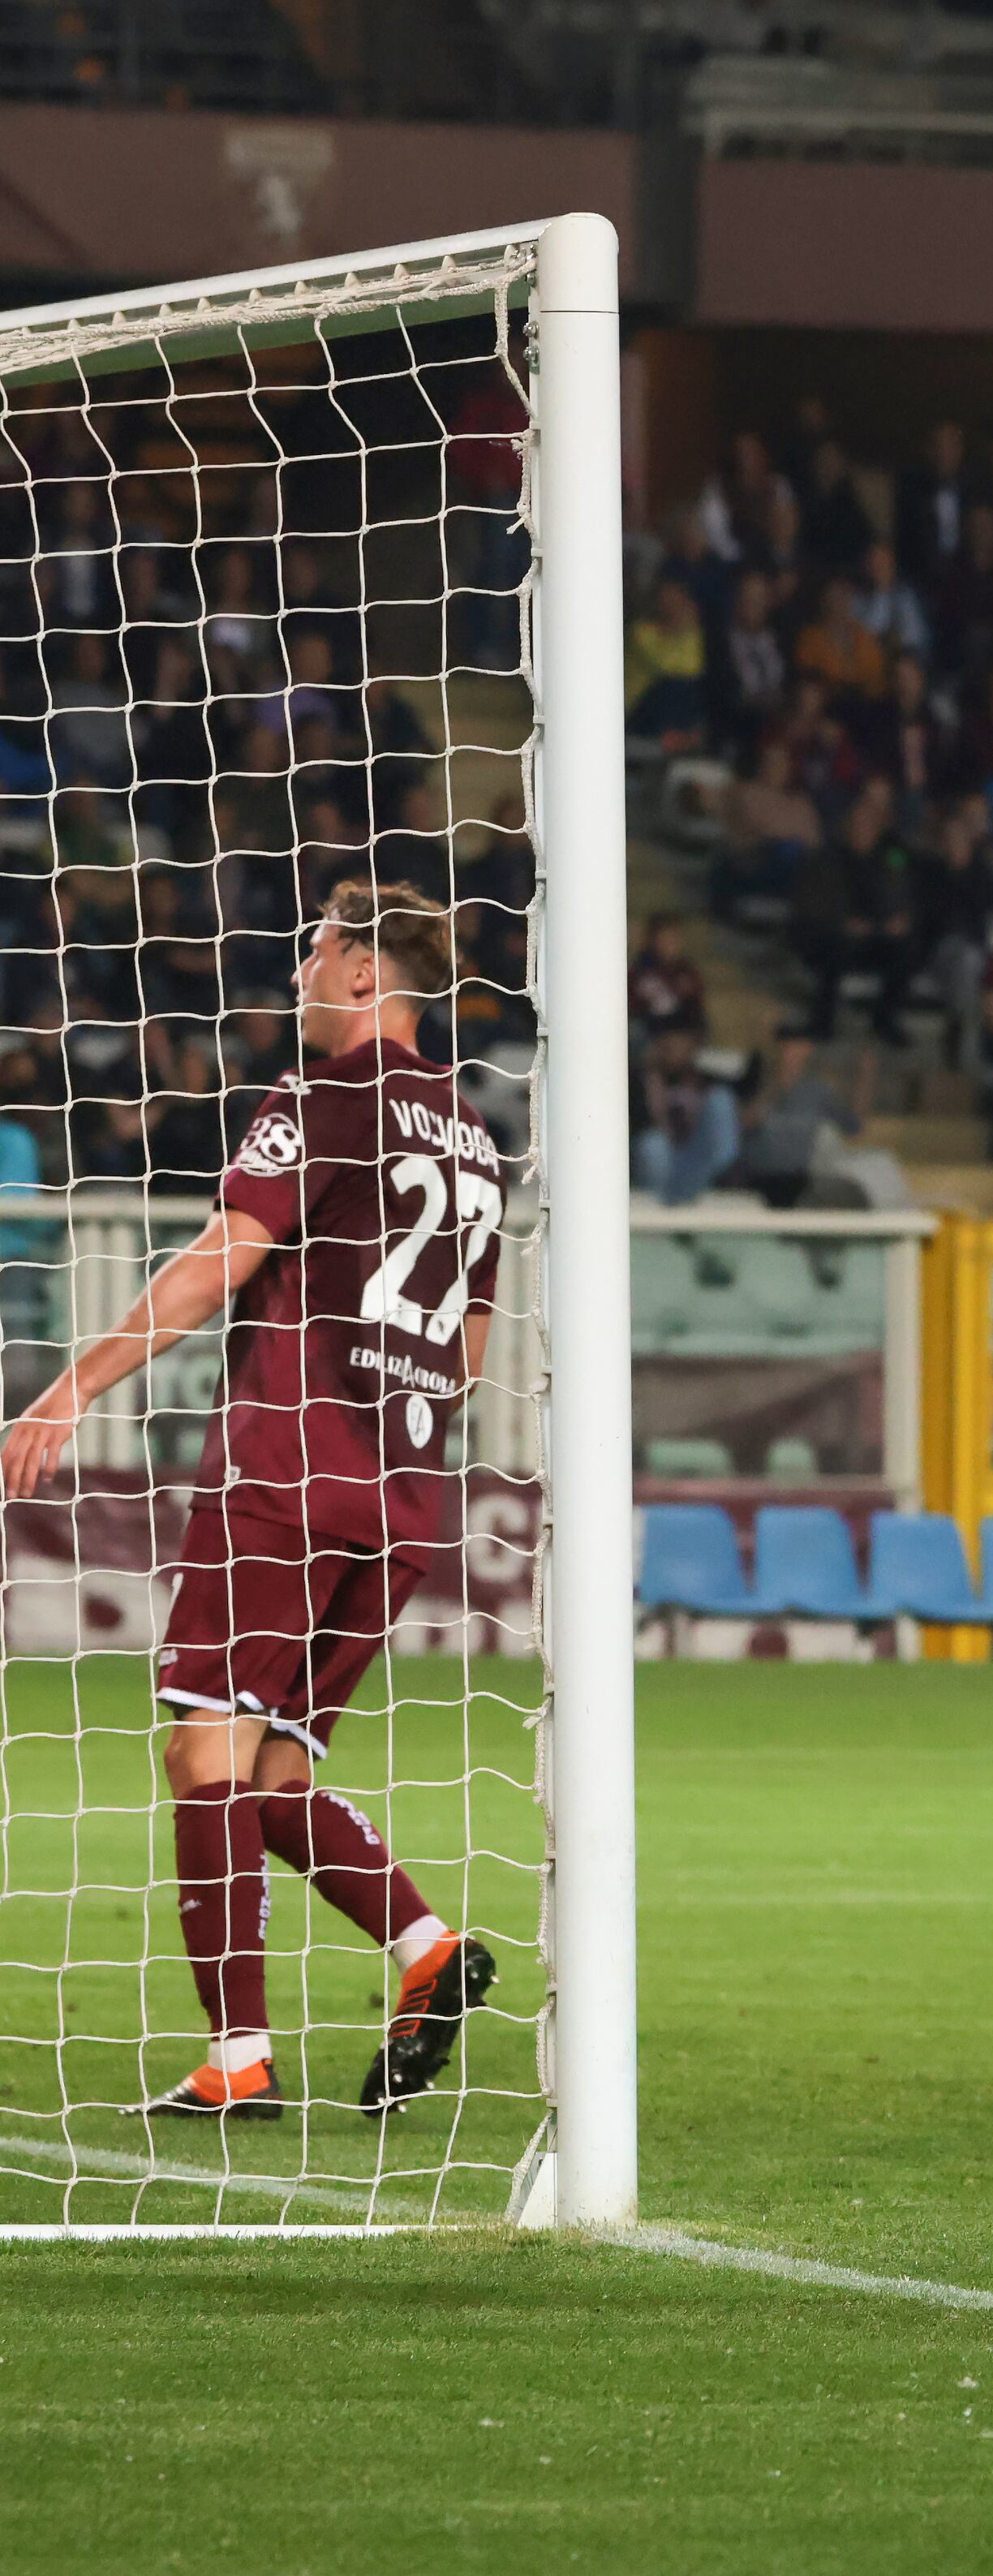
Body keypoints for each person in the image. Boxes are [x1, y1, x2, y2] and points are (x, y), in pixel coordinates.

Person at [0, 885, 500, 2118]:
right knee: (274, 1776)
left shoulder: (324, 1100)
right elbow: (472, 1349)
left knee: (202, 1753)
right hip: (404, 1500)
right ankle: (428, 1949)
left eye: (316, 952)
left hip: (288, 1469)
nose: (296, 975)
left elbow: (216, 1265)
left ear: (367, 975)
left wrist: (70, 1389)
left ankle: (238, 2059)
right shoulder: (477, 1141)